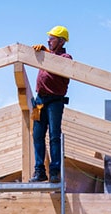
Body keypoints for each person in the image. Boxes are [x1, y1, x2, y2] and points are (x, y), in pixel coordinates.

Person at [29, 25, 72, 183]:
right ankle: (39, 171)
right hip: (40, 100)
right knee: (37, 135)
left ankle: (55, 172)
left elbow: (60, 65)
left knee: (54, 136)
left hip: (55, 101)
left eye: (52, 38)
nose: (48, 40)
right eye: (49, 38)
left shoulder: (66, 57)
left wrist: (46, 54)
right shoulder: (45, 55)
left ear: (61, 41)